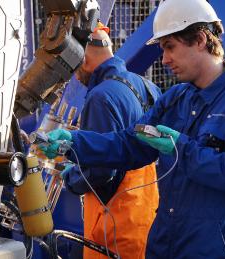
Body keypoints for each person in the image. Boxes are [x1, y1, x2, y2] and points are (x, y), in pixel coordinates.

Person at [41, 0, 225, 258]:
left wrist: (181, 149)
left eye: (170, 47)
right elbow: (129, 144)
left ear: (199, 39)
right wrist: (73, 143)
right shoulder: (176, 98)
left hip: (213, 249)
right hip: (163, 245)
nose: (164, 59)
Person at [59, 23, 161, 259]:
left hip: (112, 228)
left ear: (82, 58)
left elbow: (101, 171)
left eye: (75, 68)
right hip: (145, 218)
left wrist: (72, 179)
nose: (77, 75)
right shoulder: (146, 86)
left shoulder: (100, 97)